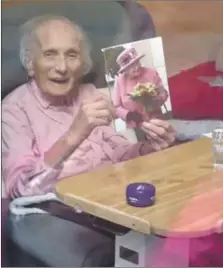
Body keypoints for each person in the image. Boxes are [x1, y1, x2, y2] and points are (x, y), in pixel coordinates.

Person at [2, 15, 176, 267]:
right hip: (51, 211)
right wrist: (74, 134)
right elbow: (22, 190)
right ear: (31, 64)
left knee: (174, 236)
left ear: (82, 63)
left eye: (71, 55)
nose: (62, 67)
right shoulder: (13, 109)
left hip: (106, 202)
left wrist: (151, 146)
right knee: (107, 256)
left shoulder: (89, 93)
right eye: (50, 54)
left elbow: (119, 153)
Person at [113, 47, 169, 140]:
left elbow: (163, 93)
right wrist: (128, 115)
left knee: (163, 142)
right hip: (136, 125)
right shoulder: (120, 81)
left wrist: (156, 100)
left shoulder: (151, 73)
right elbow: (116, 107)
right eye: (131, 66)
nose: (136, 67)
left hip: (156, 120)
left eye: (137, 62)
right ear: (125, 70)